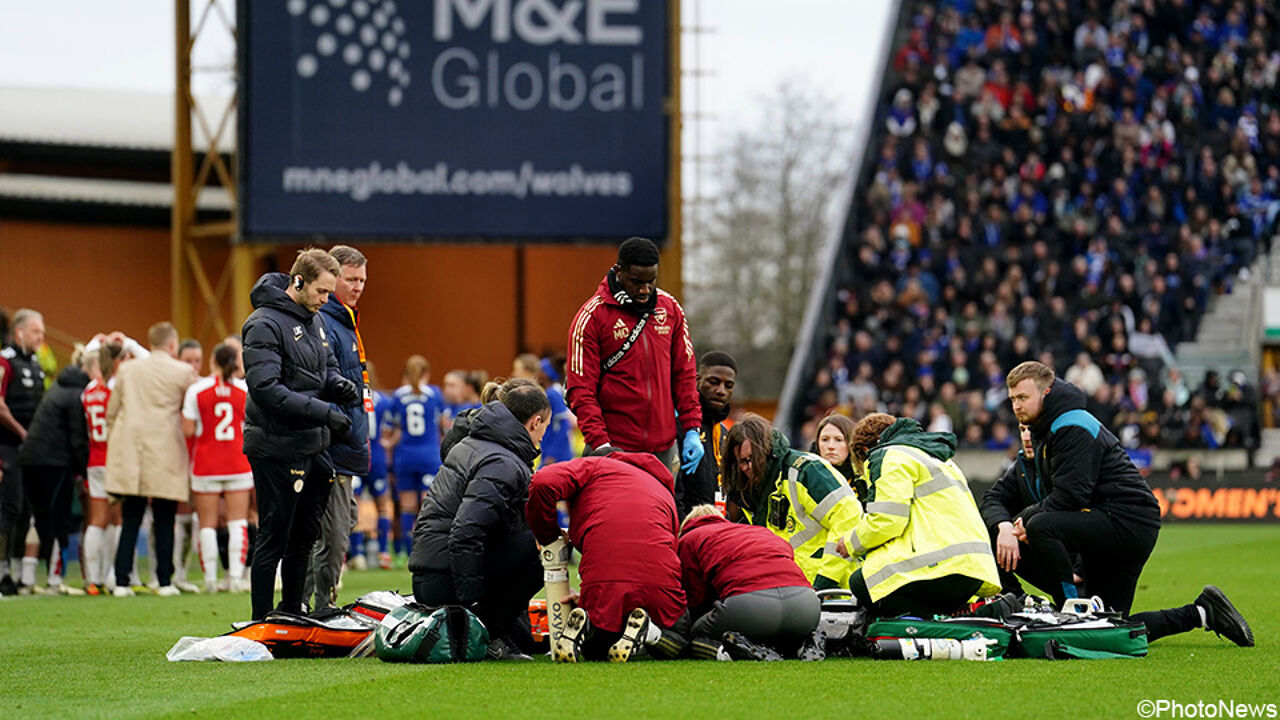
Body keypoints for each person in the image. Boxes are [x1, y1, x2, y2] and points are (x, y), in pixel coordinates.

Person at [983, 361, 1253, 646]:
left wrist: (1022, 519)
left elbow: (1071, 497)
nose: (1016, 406)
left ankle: (1071, 615)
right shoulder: (1047, 431)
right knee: (1109, 627)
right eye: (1012, 399)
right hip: (1119, 523)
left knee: (1039, 525)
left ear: (1046, 394)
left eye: (1023, 397)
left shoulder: (1070, 425)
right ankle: (1201, 612)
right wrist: (1005, 526)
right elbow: (999, 500)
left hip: (1127, 520)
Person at [241, 249, 360, 619]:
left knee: (305, 536)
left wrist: (339, 386)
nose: (326, 300)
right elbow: (266, 390)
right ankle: (260, 621)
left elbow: (324, 370)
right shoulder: (263, 323)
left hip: (313, 443)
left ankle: (291, 610)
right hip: (276, 446)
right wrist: (326, 411)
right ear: (298, 282)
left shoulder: (316, 320)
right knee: (274, 537)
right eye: (321, 291)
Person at [408, 378, 550, 660]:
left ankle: (497, 629)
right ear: (535, 422)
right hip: (446, 580)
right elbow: (466, 531)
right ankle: (490, 635)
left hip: (432, 573)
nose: (543, 434)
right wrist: (471, 607)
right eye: (544, 425)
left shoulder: (479, 443)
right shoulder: (503, 462)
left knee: (524, 639)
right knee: (545, 546)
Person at [527, 449, 689, 663]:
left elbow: (544, 481)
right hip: (658, 579)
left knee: (597, 648)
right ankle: (647, 630)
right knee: (680, 636)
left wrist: (548, 535)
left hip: (603, 579)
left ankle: (587, 623)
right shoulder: (661, 489)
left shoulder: (593, 468)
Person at [833, 413, 1001, 617]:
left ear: (866, 450)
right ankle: (959, 615)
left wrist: (850, 543)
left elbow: (888, 520)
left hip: (939, 568)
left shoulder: (888, 456)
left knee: (864, 582)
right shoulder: (937, 458)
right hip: (972, 568)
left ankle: (928, 623)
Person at [565, 237, 702, 478]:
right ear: (618, 272)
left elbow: (685, 374)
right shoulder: (592, 317)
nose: (645, 290)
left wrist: (692, 429)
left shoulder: (670, 310)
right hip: (614, 448)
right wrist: (601, 445)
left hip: (663, 449)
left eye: (651, 282)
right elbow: (580, 390)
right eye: (637, 282)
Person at [105, 322, 199, 597]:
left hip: (132, 448)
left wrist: (117, 439)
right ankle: (164, 581)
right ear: (172, 345)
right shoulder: (183, 372)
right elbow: (191, 408)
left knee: (131, 518)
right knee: (164, 518)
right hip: (166, 448)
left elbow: (112, 410)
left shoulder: (127, 370)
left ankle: (122, 582)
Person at [719, 413, 859, 591]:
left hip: (830, 593)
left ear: (767, 451)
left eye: (753, 459)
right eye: (743, 462)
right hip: (788, 590)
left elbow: (848, 517)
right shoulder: (750, 492)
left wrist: (825, 581)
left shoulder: (806, 471)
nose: (749, 467)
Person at [305, 244, 371, 610]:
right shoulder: (325, 322)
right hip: (332, 443)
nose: (358, 286)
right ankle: (318, 608)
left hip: (346, 441)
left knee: (338, 527)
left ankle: (312, 603)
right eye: (351, 279)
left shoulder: (346, 320)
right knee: (331, 533)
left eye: (362, 279)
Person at [677, 505, 823, 661]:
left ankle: (735, 651)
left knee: (694, 636)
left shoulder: (689, 539)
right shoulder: (761, 531)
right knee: (780, 635)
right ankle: (806, 643)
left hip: (748, 607)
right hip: (806, 606)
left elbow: (695, 598)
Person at [16, 345, 90, 594]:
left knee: (37, 518)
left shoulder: (58, 386)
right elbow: (77, 437)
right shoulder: (77, 393)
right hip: (53, 462)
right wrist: (84, 469)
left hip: (30, 458)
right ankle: (54, 578)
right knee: (58, 519)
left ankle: (25, 577)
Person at [182, 343, 253, 593]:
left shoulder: (196, 390)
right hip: (238, 462)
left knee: (207, 524)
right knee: (238, 522)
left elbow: (188, 430)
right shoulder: (244, 390)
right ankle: (235, 578)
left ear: (212, 360)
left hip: (206, 464)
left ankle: (210, 580)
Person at [0, 308, 46, 595]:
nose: (41, 337)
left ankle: (18, 573)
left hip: (31, 448)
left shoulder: (37, 364)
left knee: (27, 510)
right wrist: (22, 432)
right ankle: (2, 572)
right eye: (36, 332)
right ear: (19, 332)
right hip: (8, 444)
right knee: (9, 506)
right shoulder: (5, 362)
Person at [386, 355, 445, 561]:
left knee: (407, 505)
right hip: (429, 454)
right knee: (429, 504)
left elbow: (392, 429)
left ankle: (405, 553)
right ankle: (429, 551)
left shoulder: (397, 396)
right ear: (426, 373)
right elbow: (443, 425)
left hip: (405, 455)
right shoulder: (435, 394)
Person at [81, 339, 127, 594]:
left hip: (94, 459)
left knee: (97, 520)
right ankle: (113, 575)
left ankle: (92, 579)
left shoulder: (87, 392)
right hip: (114, 459)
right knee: (119, 518)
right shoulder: (115, 389)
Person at [674, 351, 737, 520]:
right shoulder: (682, 427)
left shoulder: (725, 433)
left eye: (728, 385)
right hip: (687, 529)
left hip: (719, 528)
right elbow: (674, 489)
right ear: (697, 380)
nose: (721, 391)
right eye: (714, 382)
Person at [172, 337, 203, 593]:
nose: (193, 366)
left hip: (200, 461)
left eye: (197, 361)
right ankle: (172, 572)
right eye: (188, 361)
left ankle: (185, 572)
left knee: (198, 518)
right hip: (174, 460)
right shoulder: (168, 390)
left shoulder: (202, 390)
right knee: (176, 518)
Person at [511, 353, 576, 466]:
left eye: (541, 370)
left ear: (546, 374)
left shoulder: (552, 394)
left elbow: (562, 425)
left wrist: (552, 455)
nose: (538, 372)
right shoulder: (551, 392)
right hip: (550, 453)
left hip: (556, 456)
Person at [812, 413, 866, 500]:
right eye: (825, 439)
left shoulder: (865, 476)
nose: (831, 446)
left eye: (838, 440)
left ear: (851, 443)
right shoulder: (806, 476)